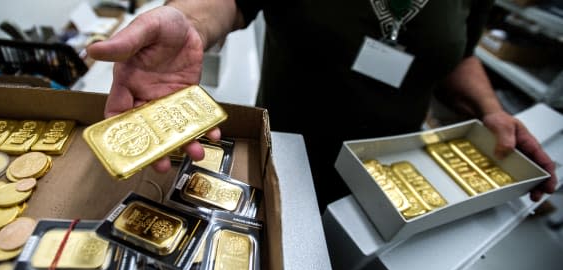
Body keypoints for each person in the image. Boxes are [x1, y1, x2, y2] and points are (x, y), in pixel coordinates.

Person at [87, 0, 556, 211]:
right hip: (287, 162)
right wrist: (187, 22)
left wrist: (490, 109)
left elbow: (457, 55)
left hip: (392, 171)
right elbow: (228, 2)